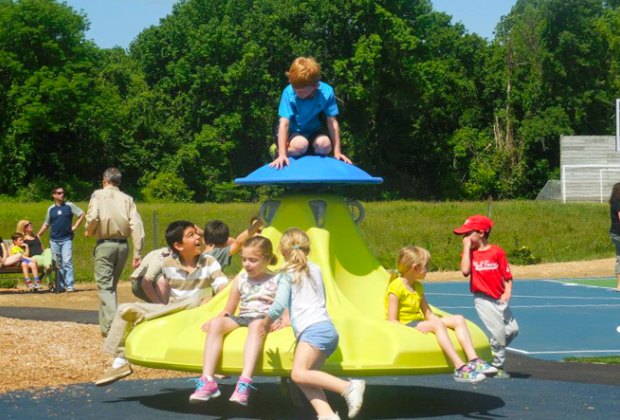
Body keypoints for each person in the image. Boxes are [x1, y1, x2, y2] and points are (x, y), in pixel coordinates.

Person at [95, 220, 229, 386]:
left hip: (199, 312)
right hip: (176, 312)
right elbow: (159, 287)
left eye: (196, 234)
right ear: (178, 246)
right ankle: (119, 362)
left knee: (195, 300)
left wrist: (213, 300)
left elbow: (224, 288)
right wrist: (162, 308)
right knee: (124, 309)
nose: (198, 238)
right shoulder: (167, 264)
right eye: (191, 235)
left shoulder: (209, 262)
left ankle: (146, 317)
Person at [262, 228, 365, 420]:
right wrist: (289, 318)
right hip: (326, 328)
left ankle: (348, 387)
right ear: (307, 249)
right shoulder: (315, 269)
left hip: (313, 331)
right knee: (305, 376)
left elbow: (278, 305)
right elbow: (317, 300)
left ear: (282, 251)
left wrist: (266, 322)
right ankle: (326, 415)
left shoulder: (286, 272)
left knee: (299, 374)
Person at [189, 236, 280, 406]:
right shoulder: (241, 279)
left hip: (262, 317)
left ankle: (244, 383)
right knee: (217, 324)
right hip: (243, 316)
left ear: (266, 259)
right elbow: (229, 309)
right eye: (244, 259)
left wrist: (282, 320)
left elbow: (284, 305)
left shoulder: (276, 280)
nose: (246, 264)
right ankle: (208, 380)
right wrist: (216, 319)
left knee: (256, 324)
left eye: (253, 260)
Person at [385, 246, 495, 383]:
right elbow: (392, 320)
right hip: (408, 324)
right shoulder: (396, 286)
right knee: (437, 325)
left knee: (458, 319)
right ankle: (460, 367)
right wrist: (413, 329)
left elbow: (428, 313)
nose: (428, 269)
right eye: (426, 266)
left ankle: (473, 360)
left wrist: (439, 321)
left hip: (418, 320)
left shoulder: (418, 287)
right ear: (415, 267)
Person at [454, 215, 519, 379]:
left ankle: (488, 354)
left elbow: (507, 275)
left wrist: (507, 290)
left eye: (467, 234)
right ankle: (498, 366)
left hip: (499, 298)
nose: (465, 238)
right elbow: (465, 271)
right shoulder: (470, 253)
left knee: (512, 330)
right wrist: (467, 248)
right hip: (482, 299)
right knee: (498, 332)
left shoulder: (497, 252)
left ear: (481, 233)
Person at [85, 167, 145, 336]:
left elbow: (93, 217)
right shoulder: (128, 199)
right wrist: (137, 253)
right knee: (110, 288)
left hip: (104, 244)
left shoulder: (98, 195)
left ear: (104, 179)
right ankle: (105, 328)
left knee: (105, 287)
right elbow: (137, 225)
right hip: (123, 246)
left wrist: (89, 230)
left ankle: (115, 326)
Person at [269, 57, 351, 169]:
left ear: (315, 86)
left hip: (313, 131)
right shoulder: (288, 92)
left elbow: (332, 122)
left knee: (325, 145)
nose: (297, 93)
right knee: (300, 145)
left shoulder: (326, 92)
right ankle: (277, 150)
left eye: (302, 91)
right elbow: (284, 123)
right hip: (292, 133)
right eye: (294, 89)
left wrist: (337, 152)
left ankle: (307, 154)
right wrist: (283, 154)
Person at [37, 187, 85, 292]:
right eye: (59, 193)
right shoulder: (51, 209)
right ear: (54, 195)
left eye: (63, 193)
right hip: (54, 240)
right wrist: (38, 234)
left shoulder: (69, 206)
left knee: (67, 261)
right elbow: (46, 224)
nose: (61, 195)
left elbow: (81, 214)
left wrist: (75, 227)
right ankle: (61, 285)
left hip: (66, 239)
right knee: (58, 264)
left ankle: (70, 285)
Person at [16, 219, 53, 285]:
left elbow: (42, 249)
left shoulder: (37, 237)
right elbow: (15, 249)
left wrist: (46, 254)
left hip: (42, 257)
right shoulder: (22, 239)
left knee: (48, 250)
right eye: (27, 225)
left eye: (30, 223)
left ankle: (47, 266)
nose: (30, 225)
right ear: (23, 228)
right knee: (47, 262)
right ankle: (50, 283)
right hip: (33, 259)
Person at [608, 182, 620, 291]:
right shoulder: (618, 202)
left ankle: (619, 285)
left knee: (619, 258)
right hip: (618, 233)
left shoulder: (613, 202)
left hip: (614, 233)